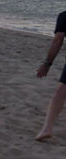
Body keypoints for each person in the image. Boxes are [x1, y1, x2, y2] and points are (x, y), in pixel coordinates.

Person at [35, 11, 66, 141]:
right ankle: (47, 129)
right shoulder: (65, 17)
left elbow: (57, 41)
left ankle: (47, 128)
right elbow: (57, 40)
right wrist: (47, 63)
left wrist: (47, 64)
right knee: (60, 92)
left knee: (59, 93)